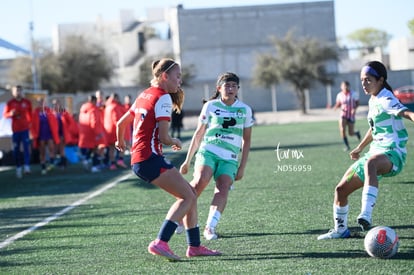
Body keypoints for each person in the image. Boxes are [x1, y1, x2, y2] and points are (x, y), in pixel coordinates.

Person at [115, 58, 221, 260]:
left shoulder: (144, 94)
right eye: (178, 76)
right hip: (149, 158)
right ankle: (160, 242)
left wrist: (120, 142)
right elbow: (164, 138)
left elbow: (121, 123)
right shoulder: (162, 97)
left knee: (189, 193)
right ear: (164, 76)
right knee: (187, 197)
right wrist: (176, 141)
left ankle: (195, 246)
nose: (180, 81)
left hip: (140, 159)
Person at [318, 61, 414, 240]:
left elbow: (406, 112)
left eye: (368, 80)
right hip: (374, 152)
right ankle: (341, 229)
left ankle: (366, 215)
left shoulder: (387, 99)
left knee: (371, 163)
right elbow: (374, 127)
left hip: (393, 153)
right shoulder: (373, 99)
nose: (364, 83)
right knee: (340, 190)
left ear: (380, 80)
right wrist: (360, 147)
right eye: (362, 80)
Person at [179, 72, 254, 240]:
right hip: (209, 151)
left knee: (223, 187)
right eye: (227, 85)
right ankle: (179, 215)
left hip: (230, 157)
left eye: (234, 86)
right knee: (200, 180)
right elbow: (199, 134)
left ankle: (210, 228)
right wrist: (187, 160)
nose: (231, 88)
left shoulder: (245, 110)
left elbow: (246, 140)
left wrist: (242, 167)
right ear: (219, 88)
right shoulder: (210, 106)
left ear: (238, 89)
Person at [3, 85, 33, 178]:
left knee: (26, 148)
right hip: (15, 130)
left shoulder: (26, 102)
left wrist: (30, 125)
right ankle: (18, 167)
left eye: (19, 91)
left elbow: (30, 115)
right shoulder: (10, 103)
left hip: (25, 129)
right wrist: (10, 113)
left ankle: (27, 167)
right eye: (16, 91)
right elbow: (5, 115)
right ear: (13, 92)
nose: (18, 93)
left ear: (21, 92)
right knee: (16, 150)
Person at [31, 97, 60, 175]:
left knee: (51, 148)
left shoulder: (49, 111)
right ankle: (43, 167)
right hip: (40, 134)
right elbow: (32, 125)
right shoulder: (35, 112)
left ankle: (51, 163)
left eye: (42, 102)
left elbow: (54, 122)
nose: (41, 104)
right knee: (42, 151)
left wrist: (55, 132)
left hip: (49, 133)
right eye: (39, 103)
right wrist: (34, 134)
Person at [78, 95, 106, 173]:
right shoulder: (93, 109)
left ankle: (86, 159)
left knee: (90, 149)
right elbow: (94, 122)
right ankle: (95, 166)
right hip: (92, 133)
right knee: (97, 149)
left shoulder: (83, 108)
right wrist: (99, 133)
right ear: (94, 101)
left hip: (84, 132)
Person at [333, 81, 361, 151]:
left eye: (346, 86)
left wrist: (354, 109)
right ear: (341, 87)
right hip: (343, 114)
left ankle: (356, 133)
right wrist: (336, 107)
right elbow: (339, 103)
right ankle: (347, 146)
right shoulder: (339, 95)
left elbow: (357, 103)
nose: (345, 87)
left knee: (350, 133)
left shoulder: (354, 94)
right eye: (343, 86)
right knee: (342, 130)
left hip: (351, 115)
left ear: (349, 86)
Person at [51, 98, 79, 169]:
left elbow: (71, 122)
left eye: (57, 104)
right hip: (54, 134)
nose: (55, 105)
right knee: (54, 149)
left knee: (61, 149)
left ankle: (63, 163)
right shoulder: (51, 113)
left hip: (62, 134)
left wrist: (67, 130)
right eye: (54, 104)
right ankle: (56, 163)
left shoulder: (64, 112)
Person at [103, 93, 127, 170]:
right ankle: (120, 160)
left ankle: (112, 164)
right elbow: (116, 119)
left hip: (107, 130)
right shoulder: (115, 106)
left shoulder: (107, 106)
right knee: (122, 144)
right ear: (115, 98)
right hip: (114, 130)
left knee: (111, 148)